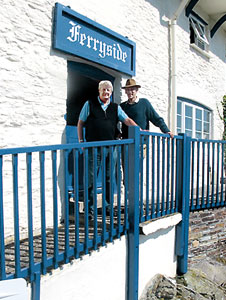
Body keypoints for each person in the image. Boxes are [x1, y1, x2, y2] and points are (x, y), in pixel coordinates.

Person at [77, 80, 138, 220]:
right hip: (93, 147)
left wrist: (138, 129)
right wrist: (81, 140)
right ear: (99, 91)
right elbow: (80, 122)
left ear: (111, 92)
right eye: (103, 90)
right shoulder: (90, 104)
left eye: (108, 90)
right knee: (90, 179)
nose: (106, 92)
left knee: (110, 178)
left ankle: (108, 207)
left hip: (112, 148)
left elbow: (126, 120)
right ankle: (90, 209)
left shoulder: (115, 108)